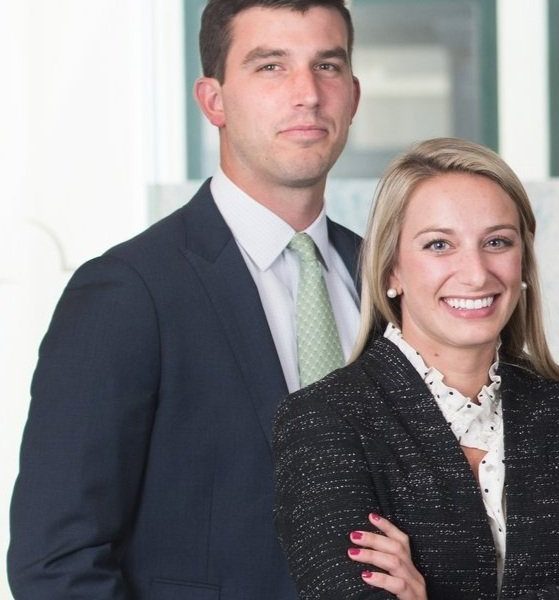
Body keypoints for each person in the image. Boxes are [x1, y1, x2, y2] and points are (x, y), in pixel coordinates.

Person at [9, 1, 362, 596]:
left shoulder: (388, 276)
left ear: (353, 94)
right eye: (270, 67)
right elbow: (57, 563)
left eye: (326, 67)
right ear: (213, 100)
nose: (307, 94)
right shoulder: (125, 293)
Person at [272, 138, 559, 599]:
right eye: (439, 244)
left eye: (497, 242)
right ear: (390, 271)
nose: (477, 273)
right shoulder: (324, 420)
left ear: (523, 261)